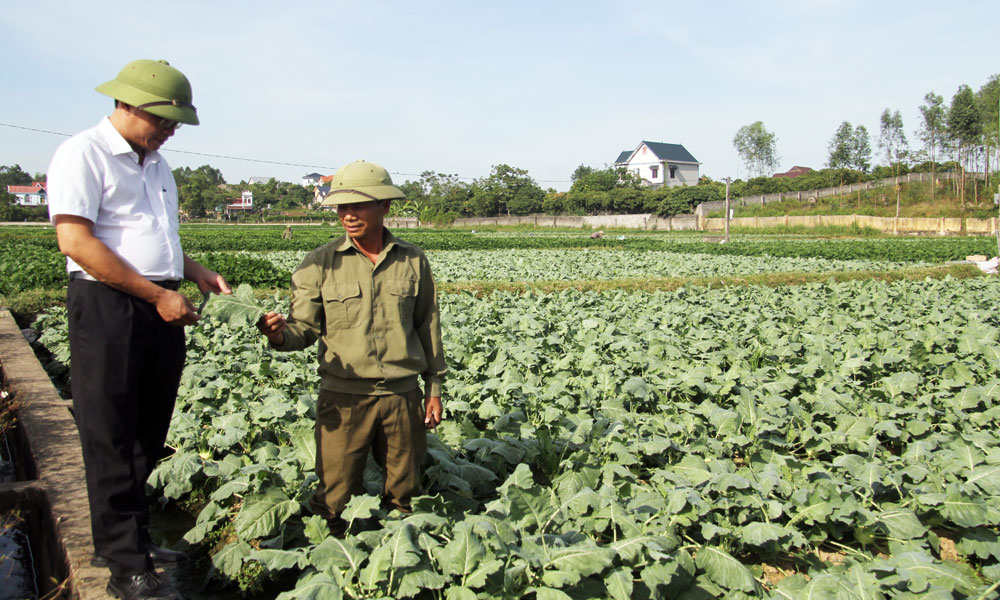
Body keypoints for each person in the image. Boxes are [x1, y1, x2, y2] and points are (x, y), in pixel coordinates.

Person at [47, 59, 231, 600]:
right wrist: (156, 294)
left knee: (149, 428)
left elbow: (153, 237)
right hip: (109, 305)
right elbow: (77, 243)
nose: (172, 130)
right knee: (111, 431)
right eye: (166, 119)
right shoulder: (83, 153)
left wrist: (192, 271)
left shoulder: (158, 164)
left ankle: (131, 537)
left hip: (160, 303)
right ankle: (125, 563)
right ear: (128, 104)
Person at [256, 159, 445, 535]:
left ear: (384, 207)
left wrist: (434, 389)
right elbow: (303, 329)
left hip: (401, 396)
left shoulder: (413, 260)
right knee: (335, 498)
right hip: (344, 398)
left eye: (358, 205)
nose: (348, 215)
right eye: (342, 207)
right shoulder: (318, 265)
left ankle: (395, 565)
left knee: (404, 494)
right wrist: (278, 335)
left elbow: (429, 327)